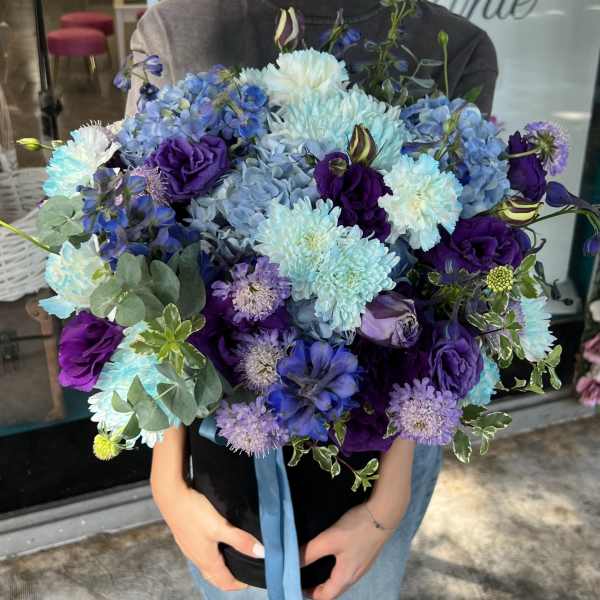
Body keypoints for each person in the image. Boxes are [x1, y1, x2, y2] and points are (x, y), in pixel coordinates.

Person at [125, 2, 498, 599]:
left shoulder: (455, 44)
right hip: (222, 445)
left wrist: (388, 499)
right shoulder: (178, 27)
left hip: (382, 441)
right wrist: (168, 483)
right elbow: (143, 256)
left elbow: (452, 289)